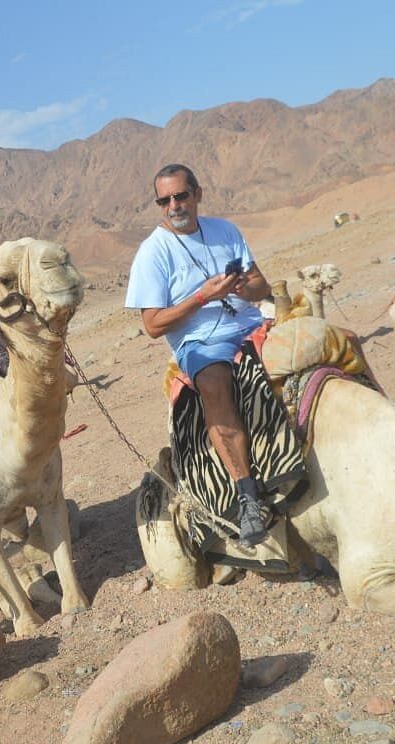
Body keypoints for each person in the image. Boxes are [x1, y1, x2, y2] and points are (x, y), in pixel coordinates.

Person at [125, 164, 273, 545]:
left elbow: (262, 286)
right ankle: (247, 495)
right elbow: (153, 324)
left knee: (332, 342)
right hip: (202, 341)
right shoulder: (152, 253)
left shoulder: (225, 230)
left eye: (181, 195)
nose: (174, 205)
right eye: (165, 199)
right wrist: (202, 298)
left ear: (198, 194)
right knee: (213, 383)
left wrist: (240, 288)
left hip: (252, 324)